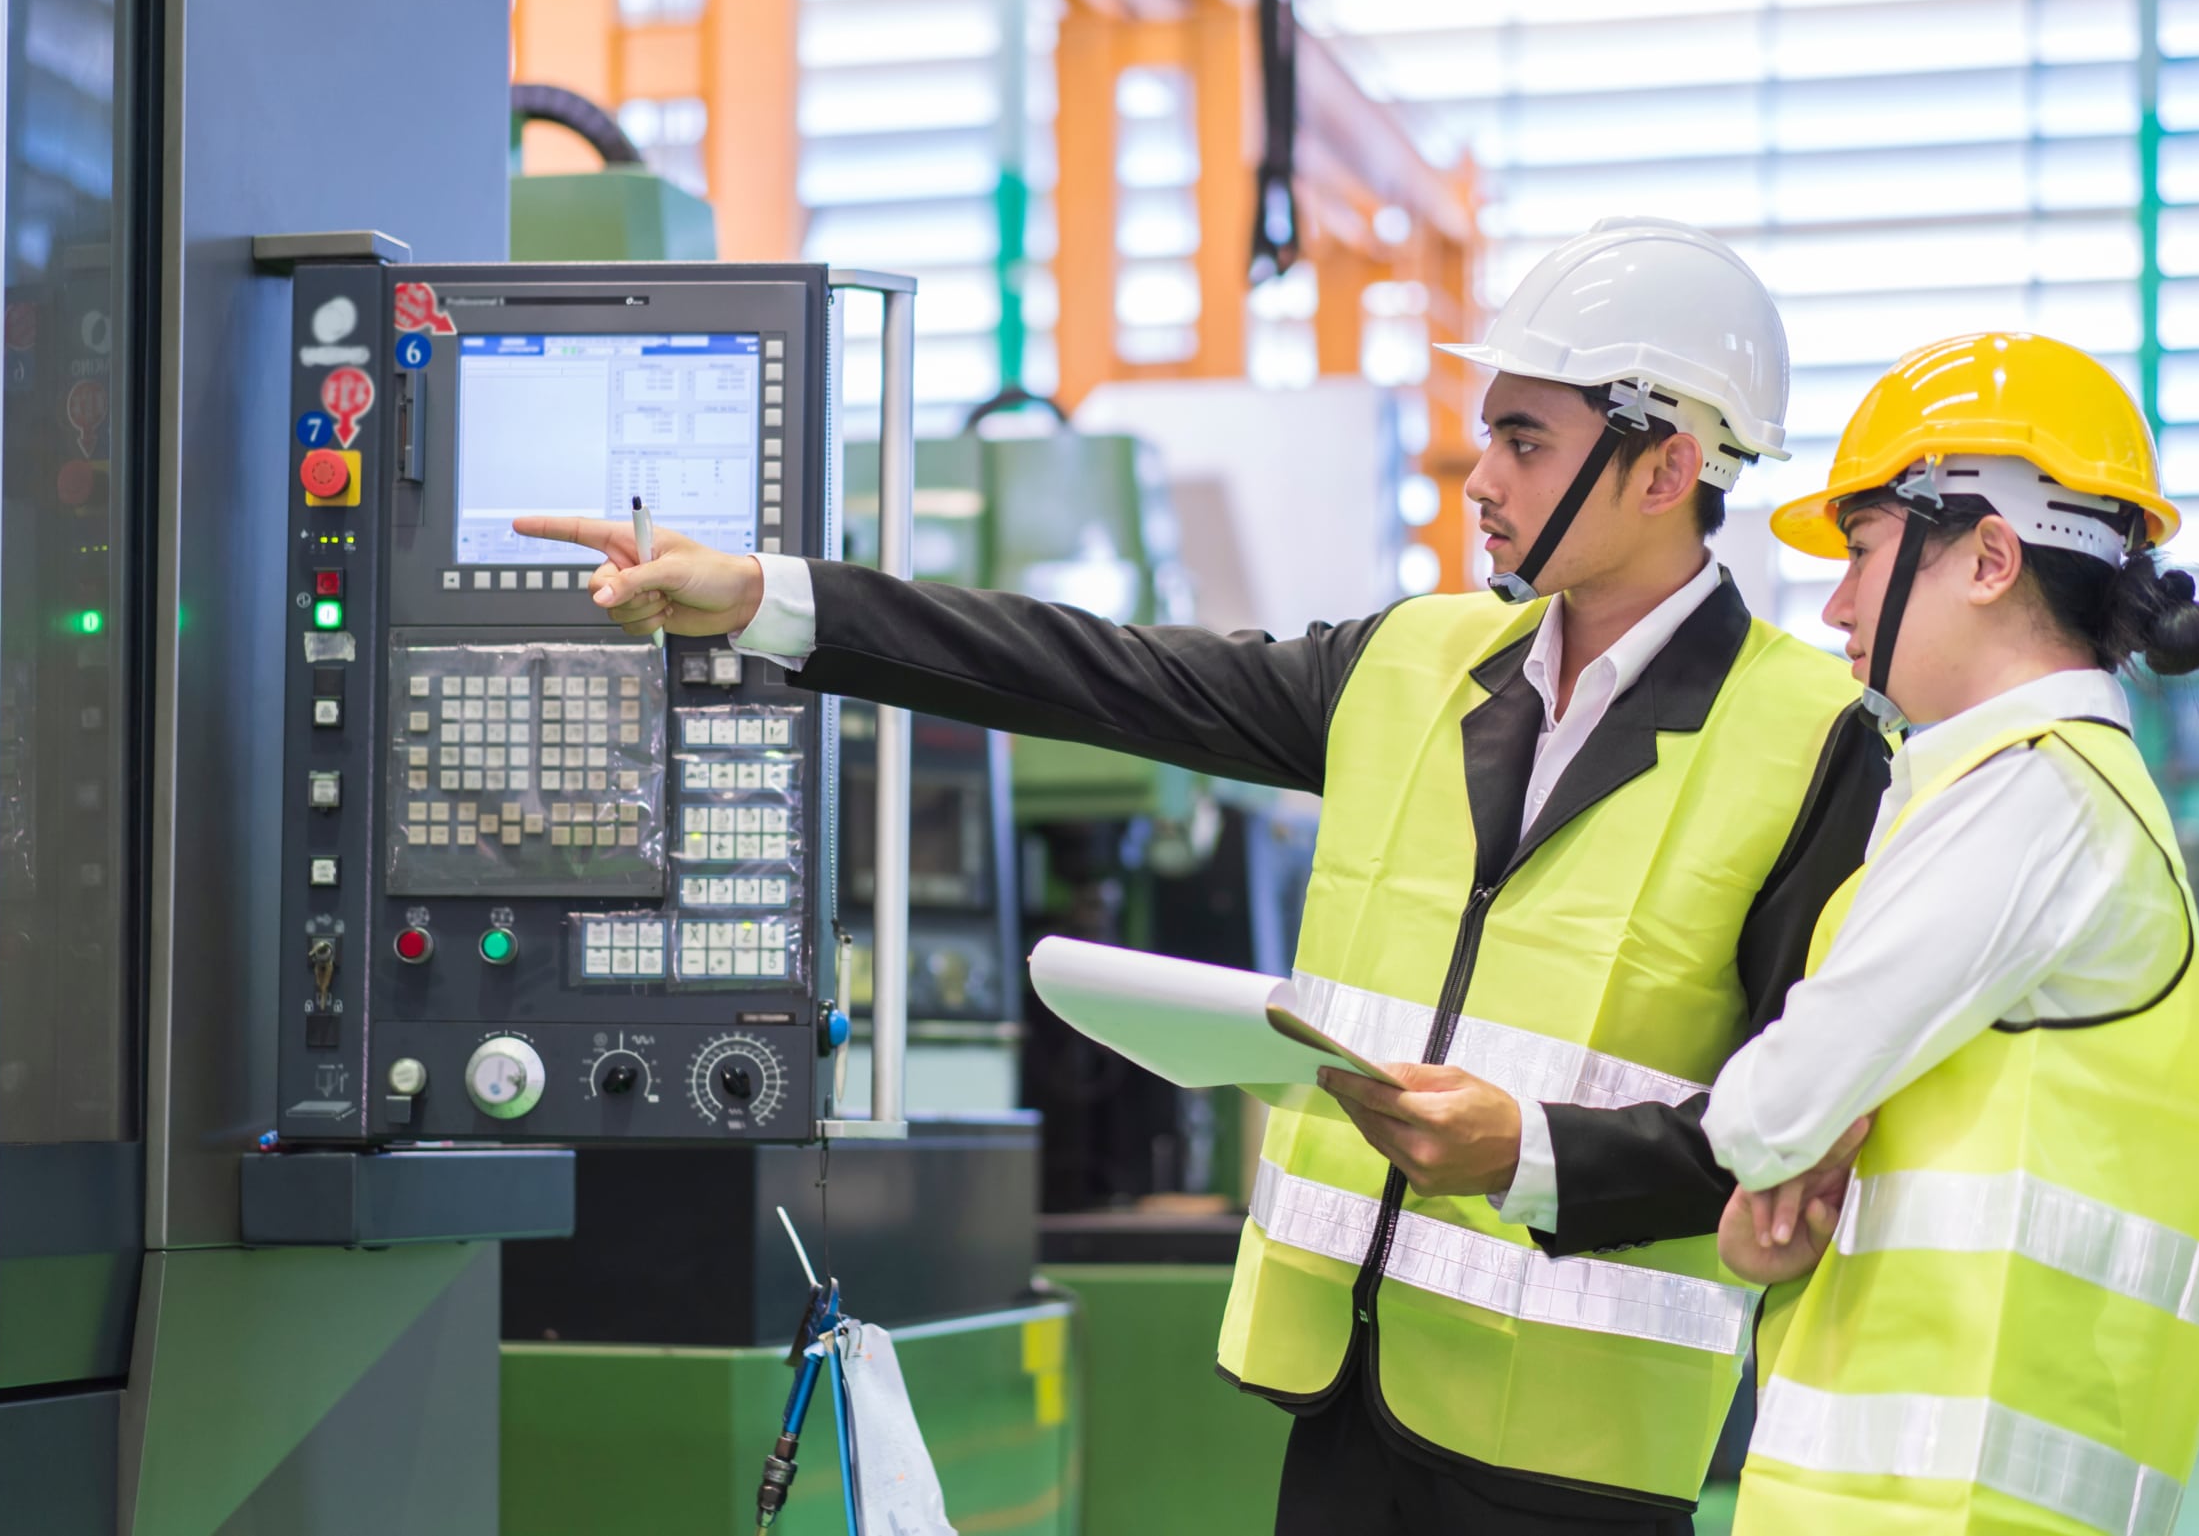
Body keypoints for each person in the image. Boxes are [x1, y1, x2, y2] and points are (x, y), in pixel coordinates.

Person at [522, 219, 1891, 1534]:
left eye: (1526, 442)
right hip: (1347, 1404)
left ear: (1664, 469)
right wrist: (768, 595)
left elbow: (1797, 1126)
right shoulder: (1409, 662)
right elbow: (1100, 673)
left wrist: (1525, 1152)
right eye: (1492, 433)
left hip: (1579, 1458)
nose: (1481, 478)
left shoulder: (1810, 744)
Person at [1700, 333, 2199, 1535]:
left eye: (1860, 554)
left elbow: (1765, 1110)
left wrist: (1779, 1137)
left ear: (1991, 557)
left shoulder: (2039, 798)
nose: (1838, 603)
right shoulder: (1983, 789)